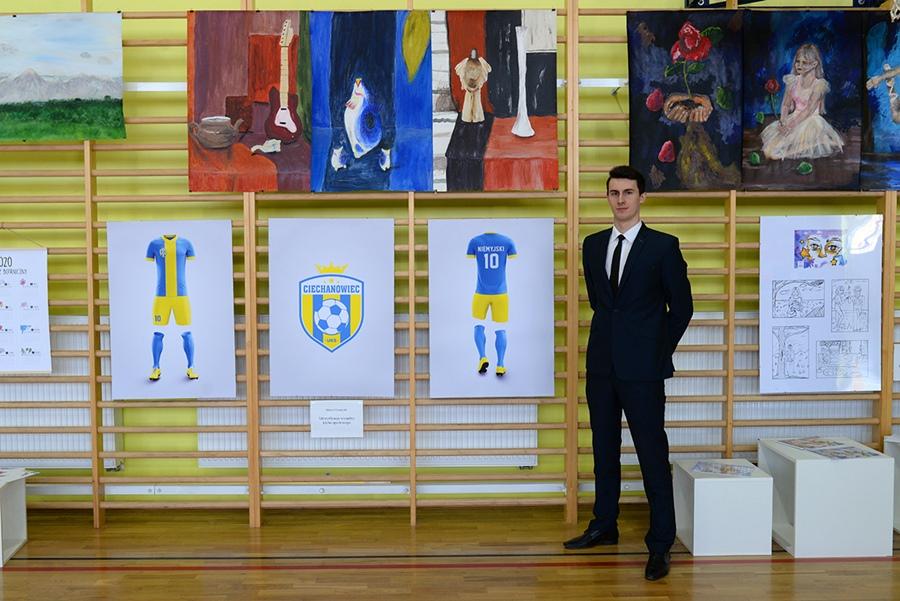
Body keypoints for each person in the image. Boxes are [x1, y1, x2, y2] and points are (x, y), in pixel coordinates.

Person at [563, 165, 693, 582]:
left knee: (652, 454)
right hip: (602, 365)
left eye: (628, 192)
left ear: (642, 197)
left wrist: (657, 351)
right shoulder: (592, 245)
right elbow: (602, 304)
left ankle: (661, 542)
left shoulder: (663, 246)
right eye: (614, 193)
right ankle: (605, 524)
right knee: (603, 449)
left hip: (644, 369)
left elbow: (682, 307)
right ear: (607, 197)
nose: (620, 199)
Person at [761, 43, 843, 160]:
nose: (799, 65)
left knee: (780, 151)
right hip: (794, 118)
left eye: (804, 63)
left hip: (810, 121)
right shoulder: (792, 81)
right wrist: (783, 121)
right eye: (797, 61)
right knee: (770, 149)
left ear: (814, 64)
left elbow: (808, 110)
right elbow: (786, 104)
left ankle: (816, 143)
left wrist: (791, 126)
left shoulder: (819, 85)